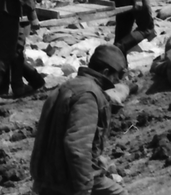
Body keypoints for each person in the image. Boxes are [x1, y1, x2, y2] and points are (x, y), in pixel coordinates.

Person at [30, 43, 130, 195]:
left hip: (48, 176)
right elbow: (77, 146)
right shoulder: (88, 96)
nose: (117, 81)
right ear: (105, 71)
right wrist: (84, 188)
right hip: (68, 180)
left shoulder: (68, 86)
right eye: (118, 76)